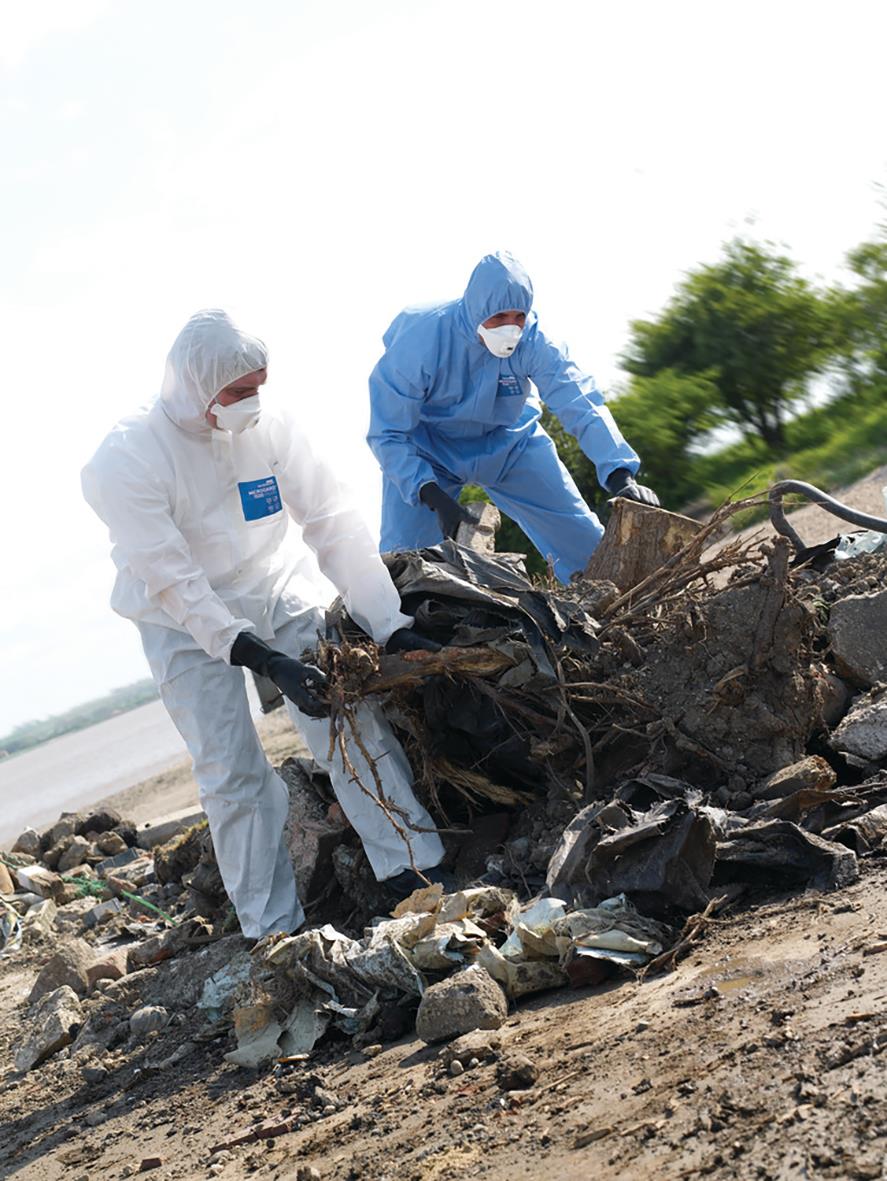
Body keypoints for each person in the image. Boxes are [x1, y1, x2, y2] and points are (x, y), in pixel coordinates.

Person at [82, 309, 446, 940]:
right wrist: (262, 660)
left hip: (274, 586)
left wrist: (388, 622)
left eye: (259, 386)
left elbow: (331, 520)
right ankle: (273, 930)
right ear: (196, 389)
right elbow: (175, 581)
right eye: (238, 391)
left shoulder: (272, 427)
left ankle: (413, 870)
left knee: (347, 717)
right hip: (177, 619)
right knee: (233, 773)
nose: (252, 401)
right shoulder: (127, 458)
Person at [367, 251, 659, 582]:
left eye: (519, 316)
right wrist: (430, 493)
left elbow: (578, 399)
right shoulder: (420, 340)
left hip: (511, 445)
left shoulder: (534, 340)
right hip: (429, 454)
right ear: (476, 309)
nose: (510, 328)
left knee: (590, 551)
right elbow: (388, 433)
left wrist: (620, 473)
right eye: (499, 317)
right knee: (404, 570)